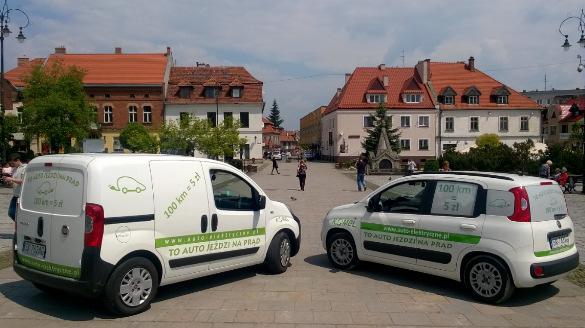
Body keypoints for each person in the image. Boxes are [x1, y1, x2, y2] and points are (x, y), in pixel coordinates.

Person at [4, 153, 26, 221]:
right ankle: (20, 226)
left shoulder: (25, 168)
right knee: (11, 213)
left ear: (18, 160)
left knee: (15, 214)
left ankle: (21, 226)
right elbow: (14, 182)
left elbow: (23, 181)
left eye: (13, 163)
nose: (12, 165)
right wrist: (9, 182)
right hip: (15, 195)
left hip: (22, 196)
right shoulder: (14, 169)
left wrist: (11, 179)